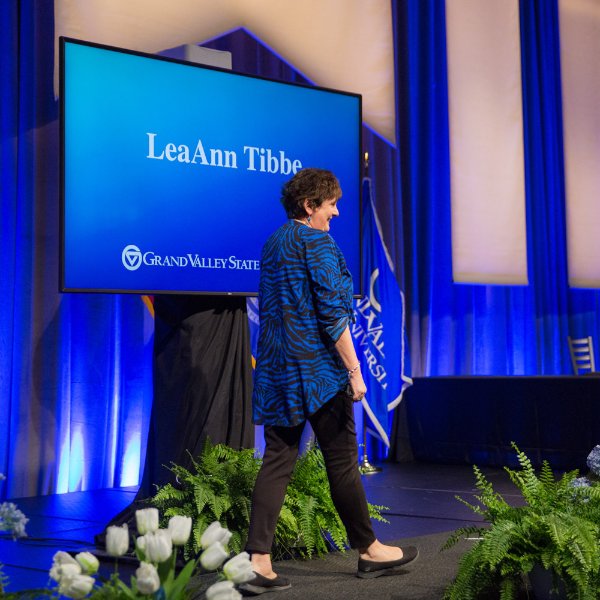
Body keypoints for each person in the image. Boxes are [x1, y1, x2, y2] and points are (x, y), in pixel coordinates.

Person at [239, 168, 418, 595]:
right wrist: (355, 372)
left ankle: (257, 560)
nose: (336, 212)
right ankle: (369, 550)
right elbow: (332, 316)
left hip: (279, 371)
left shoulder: (273, 243)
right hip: (319, 373)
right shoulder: (317, 243)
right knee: (341, 460)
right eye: (331, 203)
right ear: (309, 205)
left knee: (278, 459)